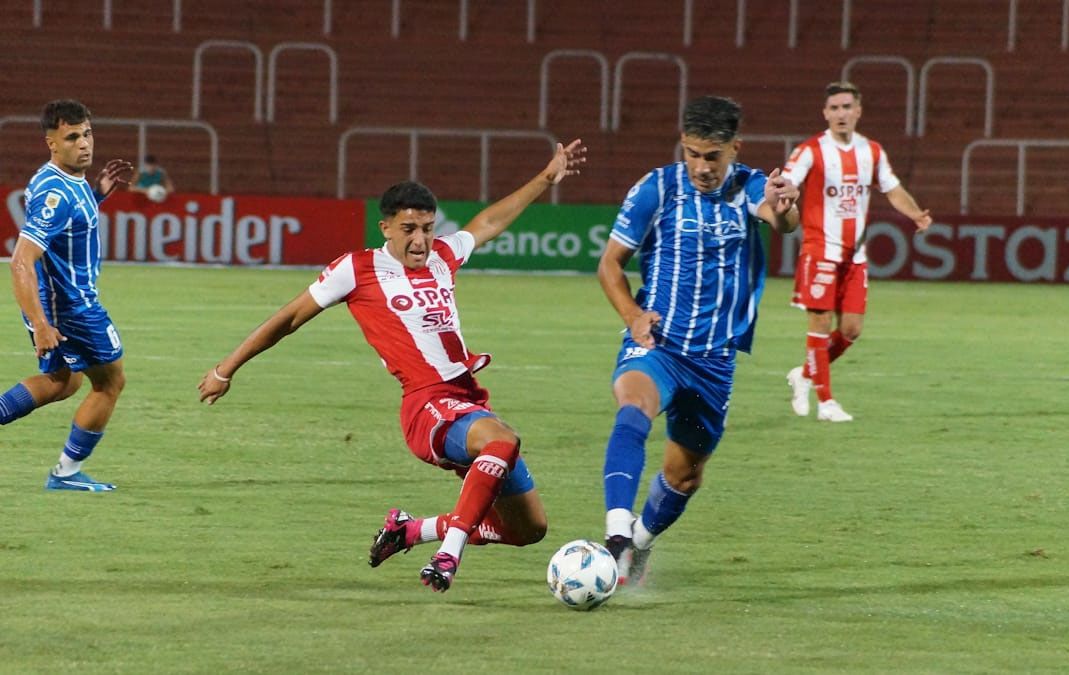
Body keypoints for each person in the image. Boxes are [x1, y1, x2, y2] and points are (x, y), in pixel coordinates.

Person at [197, 140, 586, 592]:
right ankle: (447, 555)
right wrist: (226, 369)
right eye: (408, 229)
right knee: (503, 441)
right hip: (427, 406)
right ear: (385, 227)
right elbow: (288, 318)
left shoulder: (443, 255)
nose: (420, 239)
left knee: (528, 530)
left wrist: (545, 177)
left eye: (426, 227)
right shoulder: (356, 269)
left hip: (468, 401)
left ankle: (411, 530)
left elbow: (490, 220)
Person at [597, 96, 799, 585]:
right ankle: (616, 533)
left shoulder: (749, 185)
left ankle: (639, 546)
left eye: (713, 155)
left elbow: (781, 220)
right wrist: (632, 314)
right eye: (692, 153)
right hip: (659, 344)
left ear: (735, 148)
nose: (701, 167)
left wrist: (784, 205)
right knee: (632, 410)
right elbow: (610, 265)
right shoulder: (656, 188)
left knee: (684, 475)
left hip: (714, 360)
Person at [2, 99, 133, 491]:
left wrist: (98, 195)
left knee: (64, 381)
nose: (84, 144)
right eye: (72, 137)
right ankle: (66, 473)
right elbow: (20, 261)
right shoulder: (55, 195)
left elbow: (69, 226)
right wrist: (42, 325)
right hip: (71, 307)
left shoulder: (63, 182)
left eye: (87, 134)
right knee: (110, 383)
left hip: (56, 303)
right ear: (52, 143)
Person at [782, 81, 932, 423]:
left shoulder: (872, 151)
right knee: (819, 322)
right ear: (825, 113)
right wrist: (786, 191)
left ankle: (804, 374)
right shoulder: (811, 150)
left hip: (855, 256)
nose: (840, 114)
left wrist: (916, 213)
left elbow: (892, 190)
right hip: (820, 250)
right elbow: (790, 180)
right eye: (834, 108)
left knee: (850, 330)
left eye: (846, 107)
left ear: (858, 111)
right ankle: (827, 402)